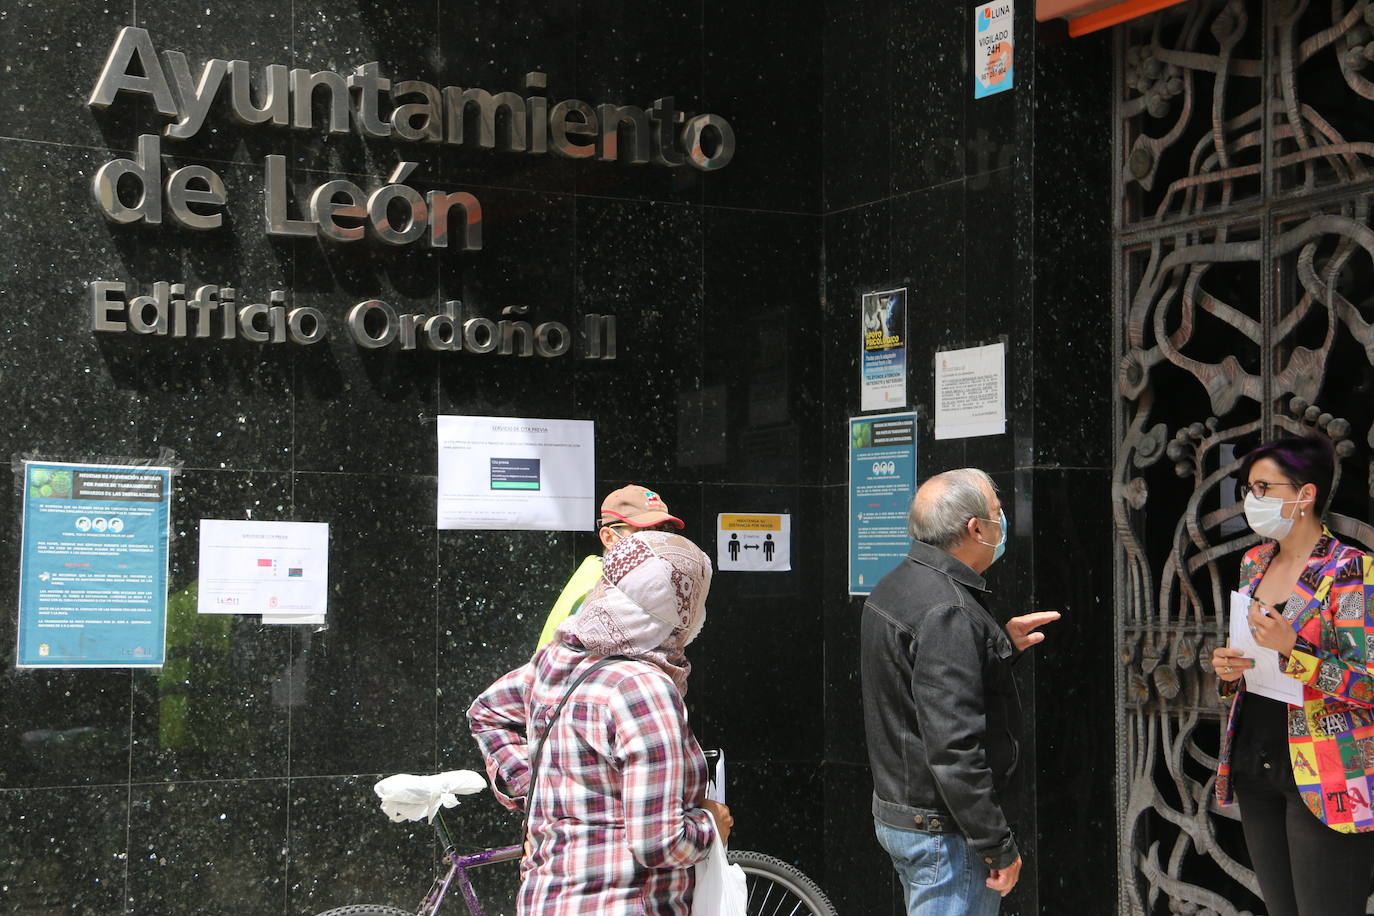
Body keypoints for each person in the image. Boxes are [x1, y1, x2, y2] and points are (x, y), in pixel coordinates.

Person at [469, 530, 732, 916]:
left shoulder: (556, 660)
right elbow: (659, 843)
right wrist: (712, 825)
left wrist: (538, 795)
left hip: (545, 899)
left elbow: (487, 712)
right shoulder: (644, 688)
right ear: (682, 610)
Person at [861, 468, 1059, 914]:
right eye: (997, 512)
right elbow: (954, 745)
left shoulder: (897, 585)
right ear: (976, 529)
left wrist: (998, 645)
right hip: (943, 832)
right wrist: (997, 845)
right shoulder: (947, 608)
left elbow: (919, 688)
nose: (1002, 520)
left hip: (905, 813)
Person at [1210, 435, 1374, 916]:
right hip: (1256, 762)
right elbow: (1247, 656)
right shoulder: (1254, 562)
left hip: (1328, 775)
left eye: (1263, 487)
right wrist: (1228, 670)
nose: (1251, 500)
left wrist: (1294, 651)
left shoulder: (1350, 570)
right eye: (1247, 489)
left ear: (1305, 495)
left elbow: (1367, 683)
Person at [535, 485, 685, 648]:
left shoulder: (619, 580)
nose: (657, 540)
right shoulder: (599, 594)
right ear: (609, 537)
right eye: (643, 531)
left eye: (663, 531)